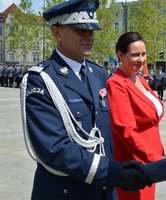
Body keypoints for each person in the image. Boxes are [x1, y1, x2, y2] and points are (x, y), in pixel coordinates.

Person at [19, 1, 149, 199]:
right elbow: (55, 149)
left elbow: (108, 132)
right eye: (81, 30)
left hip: (103, 190)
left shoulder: (97, 74)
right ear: (57, 33)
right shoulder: (41, 79)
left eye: (92, 30)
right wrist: (114, 172)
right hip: (66, 192)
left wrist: (122, 163)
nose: (89, 36)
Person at [107, 32, 165, 200]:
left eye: (143, 54)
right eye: (135, 55)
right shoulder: (116, 83)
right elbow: (126, 131)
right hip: (134, 164)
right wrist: (159, 162)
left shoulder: (141, 80)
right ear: (120, 55)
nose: (141, 59)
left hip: (149, 163)